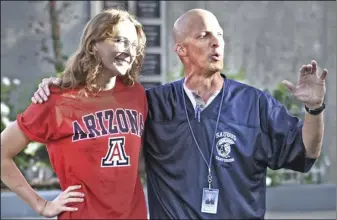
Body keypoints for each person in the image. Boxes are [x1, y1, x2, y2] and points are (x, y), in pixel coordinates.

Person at [29, 8, 328, 219]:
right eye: (204, 36)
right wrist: (63, 87)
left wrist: (314, 108)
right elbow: (101, 104)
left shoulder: (256, 103)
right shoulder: (152, 103)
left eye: (220, 36)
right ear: (182, 50)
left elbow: (306, 151)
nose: (216, 42)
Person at [1, 8, 148, 219]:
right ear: (93, 45)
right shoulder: (57, 100)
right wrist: (42, 205)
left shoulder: (137, 94)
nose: (129, 51)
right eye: (120, 41)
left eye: (134, 45)